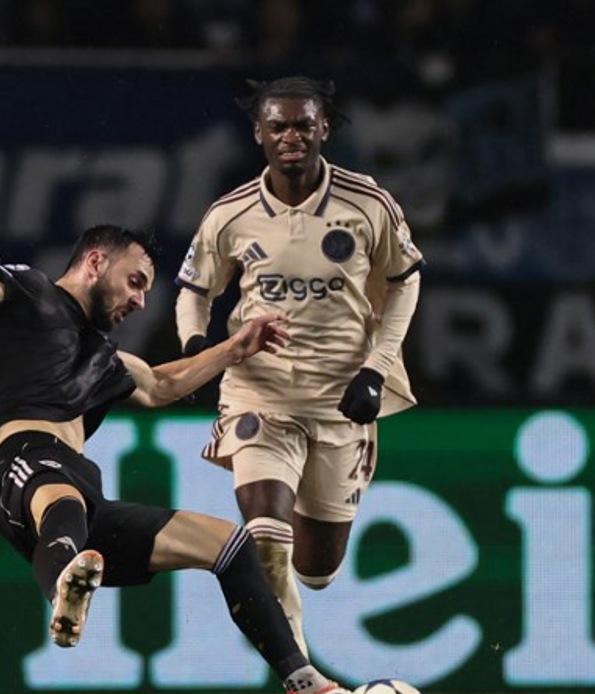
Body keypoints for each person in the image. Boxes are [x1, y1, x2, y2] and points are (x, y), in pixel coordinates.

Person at [0, 224, 351, 694]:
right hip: (22, 467)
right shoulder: (27, 292)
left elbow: (163, 385)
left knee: (228, 545)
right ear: (95, 262)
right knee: (60, 498)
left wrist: (235, 348)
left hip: (80, 494)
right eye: (134, 282)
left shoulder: (105, 357)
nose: (140, 300)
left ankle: (304, 689)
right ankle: (63, 586)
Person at [174, 77, 422, 660]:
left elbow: (404, 285)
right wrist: (195, 348)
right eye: (278, 126)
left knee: (316, 569)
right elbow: (193, 291)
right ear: (258, 132)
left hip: (342, 397)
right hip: (260, 393)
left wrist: (376, 370)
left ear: (324, 129)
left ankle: (302, 647)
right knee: (265, 537)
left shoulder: (368, 204)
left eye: (303, 125)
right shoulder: (229, 214)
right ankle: (303, 683)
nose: (291, 137)